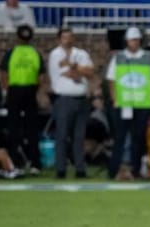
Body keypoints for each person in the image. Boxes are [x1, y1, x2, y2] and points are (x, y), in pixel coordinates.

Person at [105, 27, 150, 180]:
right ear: (126, 41)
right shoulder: (118, 57)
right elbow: (111, 80)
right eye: (131, 40)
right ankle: (114, 170)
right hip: (123, 103)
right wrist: (114, 99)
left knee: (139, 137)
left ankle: (135, 170)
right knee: (120, 137)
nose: (134, 43)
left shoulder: (148, 57)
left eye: (136, 40)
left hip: (142, 103)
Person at [49, 27, 94, 179]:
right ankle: (60, 169)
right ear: (59, 39)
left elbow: (90, 72)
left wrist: (73, 66)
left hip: (82, 98)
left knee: (79, 136)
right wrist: (80, 70)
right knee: (62, 135)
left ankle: (80, 169)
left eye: (70, 37)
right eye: (64, 37)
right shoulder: (55, 55)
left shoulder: (81, 53)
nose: (68, 40)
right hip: (64, 98)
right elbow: (71, 74)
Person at [0, 24, 45, 175]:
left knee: (14, 129)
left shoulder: (11, 53)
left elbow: (4, 75)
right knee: (32, 129)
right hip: (30, 91)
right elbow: (41, 77)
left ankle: (16, 163)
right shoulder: (35, 53)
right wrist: (36, 91)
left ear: (17, 37)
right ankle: (35, 164)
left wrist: (6, 91)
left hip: (15, 91)